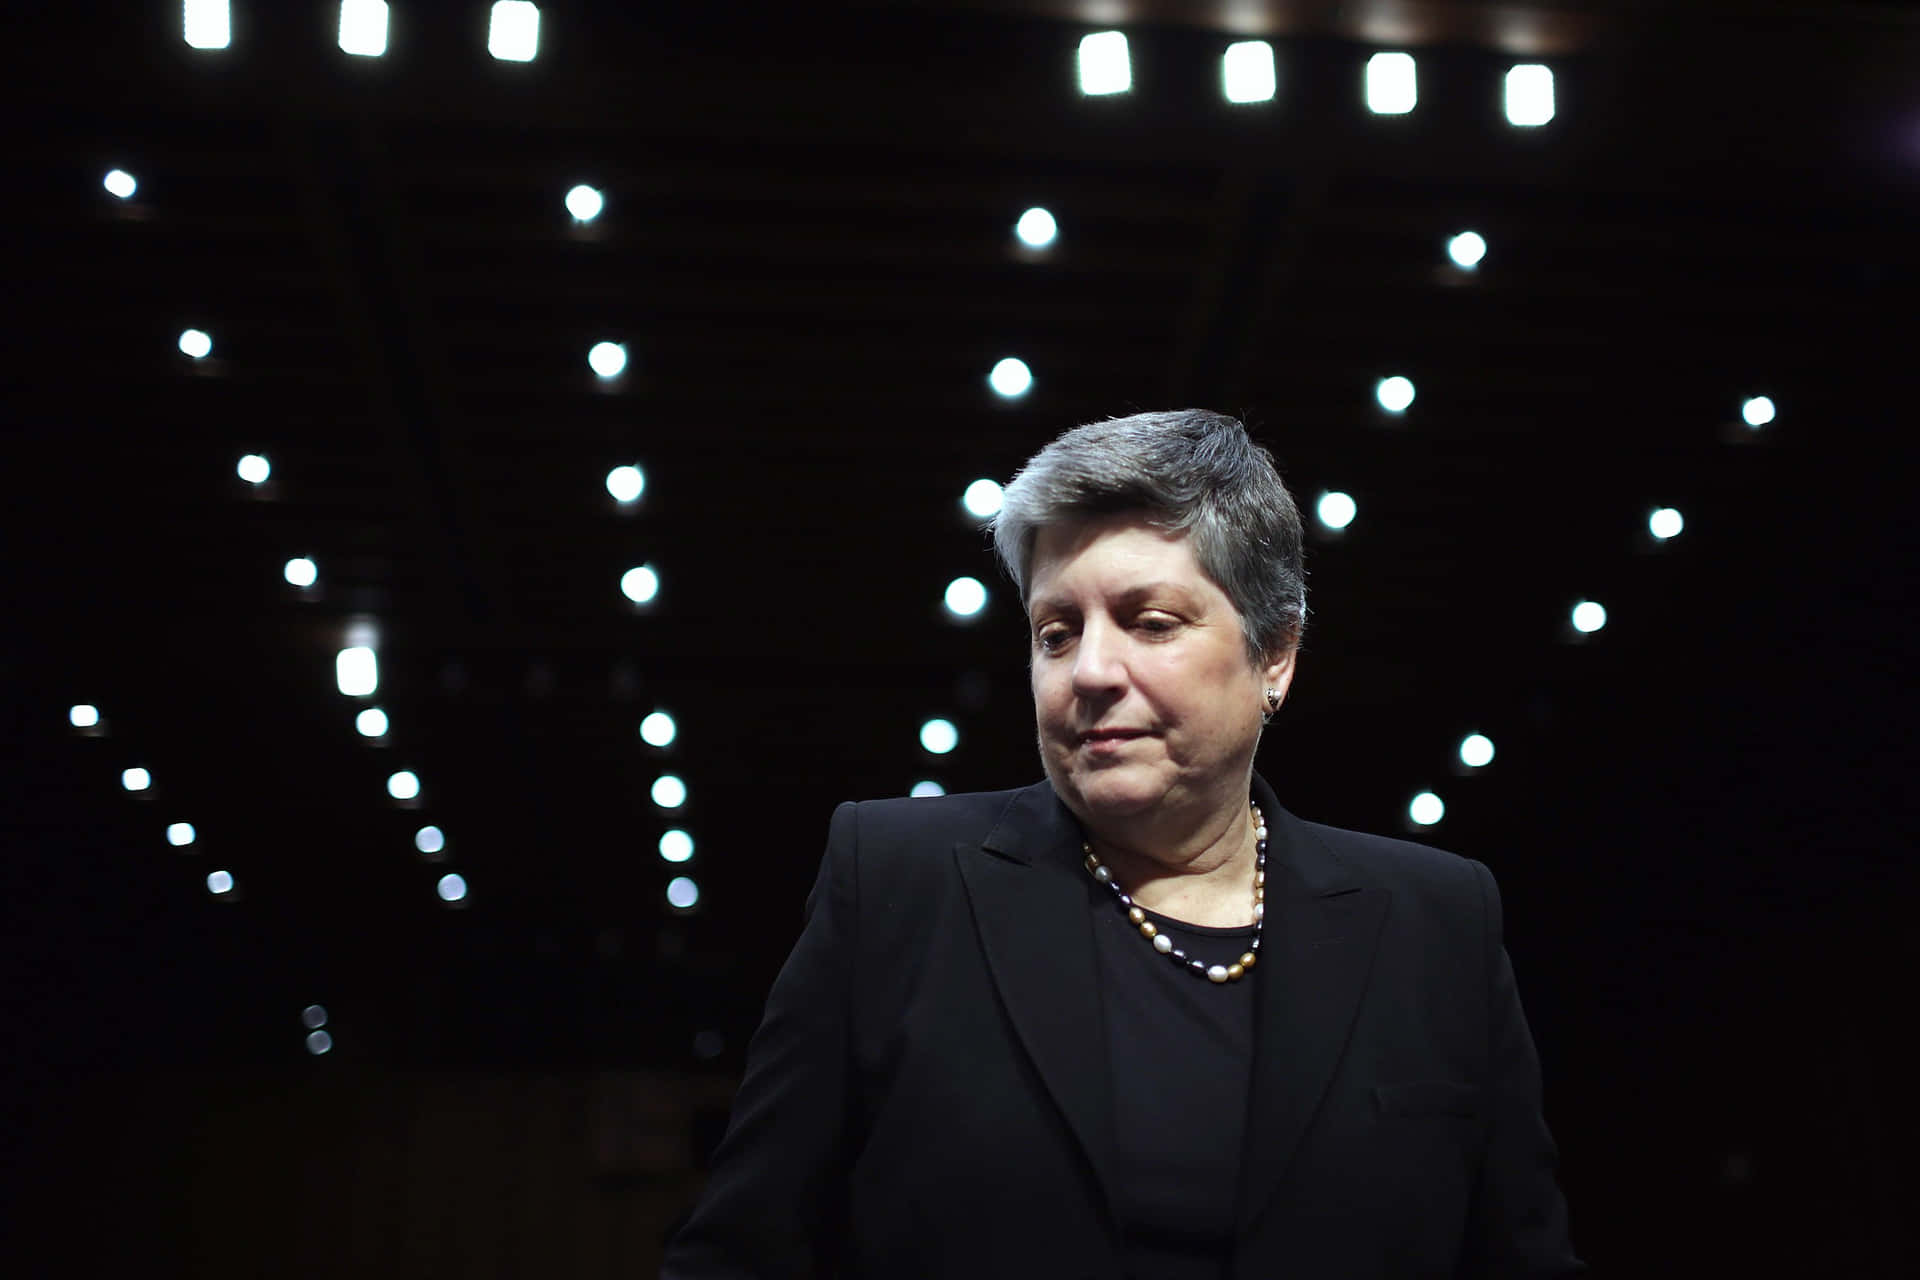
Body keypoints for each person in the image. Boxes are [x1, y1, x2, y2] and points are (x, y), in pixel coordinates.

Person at [662, 410, 1583, 1278]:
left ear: (1277, 656)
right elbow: (738, 1256)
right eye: (1055, 634)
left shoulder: (1438, 921)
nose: (1091, 673)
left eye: (1150, 622)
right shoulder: (897, 881)